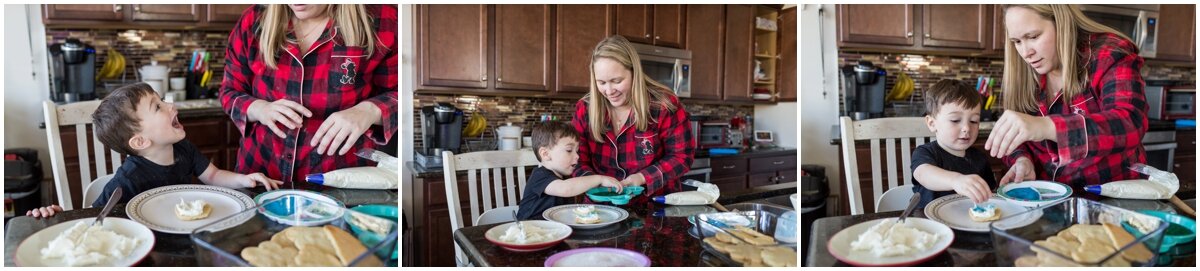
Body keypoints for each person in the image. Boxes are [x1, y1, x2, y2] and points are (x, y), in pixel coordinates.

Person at [27, 83, 282, 217]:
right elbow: (97, 216)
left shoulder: (184, 149)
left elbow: (213, 176)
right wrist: (59, 215)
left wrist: (244, 179)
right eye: (158, 107)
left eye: (162, 100)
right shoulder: (128, 179)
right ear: (140, 141)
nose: (171, 105)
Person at [220, 4, 398, 185]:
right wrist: (259, 109)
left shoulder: (383, 20)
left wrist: (369, 111)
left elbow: (403, 93)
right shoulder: (254, 20)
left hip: (342, 182)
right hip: (261, 176)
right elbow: (229, 91)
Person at [986, 5, 1148, 190]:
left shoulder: (1108, 53)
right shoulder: (1024, 71)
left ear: (1062, 23)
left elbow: (1130, 123)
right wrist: (1022, 160)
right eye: (1017, 41)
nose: (1025, 52)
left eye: (1033, 37)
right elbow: (1015, 132)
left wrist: (1048, 126)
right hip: (1049, 200)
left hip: (1113, 198)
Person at [572, 35, 695, 205]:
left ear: (634, 73)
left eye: (617, 81)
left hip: (655, 205)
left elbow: (682, 157)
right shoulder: (584, 109)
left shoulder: (664, 106)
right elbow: (576, 161)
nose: (608, 91)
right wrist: (598, 181)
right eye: (601, 82)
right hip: (600, 210)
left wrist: (641, 177)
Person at [911, 80, 997, 208]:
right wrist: (956, 180)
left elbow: (990, 194)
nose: (966, 128)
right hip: (929, 224)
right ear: (932, 123)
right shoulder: (925, 152)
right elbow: (923, 174)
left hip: (967, 221)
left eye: (974, 121)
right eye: (955, 120)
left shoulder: (980, 158)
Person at [516, 122, 623, 220]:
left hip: (554, 233)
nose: (577, 156)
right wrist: (600, 178)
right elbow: (566, 189)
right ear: (545, 154)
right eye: (569, 150)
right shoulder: (539, 176)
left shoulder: (568, 178)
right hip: (527, 233)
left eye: (577, 151)